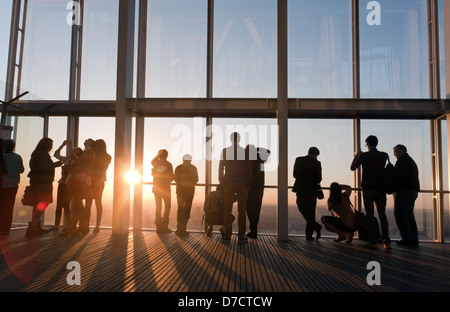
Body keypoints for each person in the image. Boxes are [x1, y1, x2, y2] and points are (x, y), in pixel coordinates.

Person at [351, 135, 391, 249]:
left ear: (367, 143)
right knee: (382, 215)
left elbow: (353, 167)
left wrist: (357, 155)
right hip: (381, 189)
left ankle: (373, 241)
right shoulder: (384, 155)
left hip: (368, 189)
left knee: (370, 215)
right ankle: (386, 241)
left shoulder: (365, 156)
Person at [25, 138, 63, 237]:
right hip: (43, 183)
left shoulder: (36, 153)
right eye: (50, 145)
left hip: (36, 181)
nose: (51, 147)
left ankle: (35, 226)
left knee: (37, 204)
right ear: (45, 145)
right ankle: (33, 227)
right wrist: (55, 165)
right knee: (42, 204)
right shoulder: (42, 154)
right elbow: (43, 167)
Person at [218, 132, 252, 241]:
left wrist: (222, 182)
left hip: (228, 183)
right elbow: (248, 169)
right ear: (240, 140)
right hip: (242, 184)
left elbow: (220, 168)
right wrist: (248, 184)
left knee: (227, 210)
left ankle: (228, 235)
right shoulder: (245, 152)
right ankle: (241, 236)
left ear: (231, 139)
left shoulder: (225, 151)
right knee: (242, 211)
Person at [64, 139, 96, 236]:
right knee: (77, 203)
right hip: (82, 180)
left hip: (82, 180)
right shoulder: (88, 152)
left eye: (89, 140)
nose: (86, 140)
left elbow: (77, 160)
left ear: (91, 144)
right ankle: (79, 227)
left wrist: (72, 166)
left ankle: (75, 227)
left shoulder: (89, 152)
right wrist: (70, 145)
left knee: (77, 203)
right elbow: (76, 158)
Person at [293, 147, 323, 241]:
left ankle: (315, 227)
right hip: (312, 190)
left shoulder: (299, 159)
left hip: (301, 188)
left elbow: (295, 174)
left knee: (300, 206)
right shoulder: (317, 163)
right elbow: (319, 178)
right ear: (316, 154)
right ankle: (310, 234)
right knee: (311, 212)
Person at [393, 144, 420, 246]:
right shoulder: (410, 161)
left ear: (401, 151)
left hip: (403, 191)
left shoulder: (402, 161)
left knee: (400, 214)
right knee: (409, 215)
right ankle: (413, 239)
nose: (394, 154)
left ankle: (407, 239)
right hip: (412, 191)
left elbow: (397, 177)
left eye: (395, 152)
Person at [85, 139, 112, 233]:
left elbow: (100, 167)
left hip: (97, 181)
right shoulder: (106, 156)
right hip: (94, 180)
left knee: (95, 202)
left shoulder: (105, 156)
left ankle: (95, 225)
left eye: (96, 144)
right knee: (91, 203)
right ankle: (88, 225)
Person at [245, 145, 271, 239]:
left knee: (249, 208)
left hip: (250, 188)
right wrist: (257, 149)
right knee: (256, 208)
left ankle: (253, 230)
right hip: (259, 187)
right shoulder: (259, 158)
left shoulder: (248, 159)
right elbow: (268, 151)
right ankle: (253, 230)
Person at [0, 139, 24, 235]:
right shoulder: (17, 157)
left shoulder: (2, 157)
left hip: (3, 185)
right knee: (9, 207)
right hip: (13, 185)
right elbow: (21, 170)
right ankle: (6, 229)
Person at [50, 139, 74, 232]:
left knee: (66, 205)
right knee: (59, 205)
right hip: (62, 183)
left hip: (69, 184)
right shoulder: (67, 160)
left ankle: (68, 226)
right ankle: (57, 225)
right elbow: (56, 154)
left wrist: (70, 146)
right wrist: (62, 145)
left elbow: (73, 154)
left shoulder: (75, 161)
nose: (71, 152)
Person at [174, 154, 198, 237]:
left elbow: (176, 179)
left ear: (183, 159)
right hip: (189, 191)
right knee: (187, 210)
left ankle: (179, 228)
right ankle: (183, 228)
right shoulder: (193, 168)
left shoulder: (178, 168)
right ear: (190, 160)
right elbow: (196, 179)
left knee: (180, 209)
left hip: (180, 191)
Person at [151, 149, 174, 234]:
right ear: (167, 155)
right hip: (166, 188)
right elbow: (172, 177)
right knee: (167, 206)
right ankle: (165, 227)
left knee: (158, 206)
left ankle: (158, 227)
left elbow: (152, 161)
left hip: (157, 188)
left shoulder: (155, 163)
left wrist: (157, 155)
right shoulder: (169, 165)